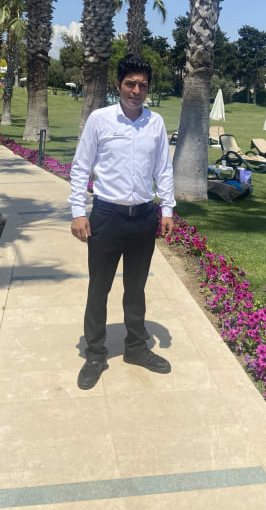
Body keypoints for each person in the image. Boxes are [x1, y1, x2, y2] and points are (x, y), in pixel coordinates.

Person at [69, 54, 175, 390]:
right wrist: (78, 211)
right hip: (107, 217)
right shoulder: (100, 120)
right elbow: (80, 167)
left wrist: (167, 209)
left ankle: (136, 348)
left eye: (142, 85)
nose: (136, 90)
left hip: (143, 217)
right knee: (99, 287)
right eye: (130, 83)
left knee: (136, 287)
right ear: (118, 85)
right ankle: (95, 353)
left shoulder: (155, 123)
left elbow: (163, 169)